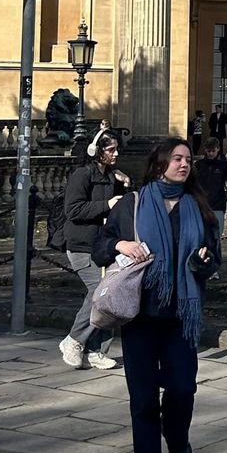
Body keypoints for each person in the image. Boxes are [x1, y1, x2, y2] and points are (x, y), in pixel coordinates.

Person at [92, 138, 221, 453]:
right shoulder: (133, 204)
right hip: (140, 316)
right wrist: (121, 246)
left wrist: (202, 260)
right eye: (177, 158)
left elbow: (214, 260)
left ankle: (177, 437)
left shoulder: (199, 206)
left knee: (183, 389)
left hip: (182, 314)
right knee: (143, 401)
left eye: (188, 159)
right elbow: (101, 245)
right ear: (160, 162)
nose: (184, 164)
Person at [59, 131, 130, 370]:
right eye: (111, 149)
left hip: (102, 245)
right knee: (100, 292)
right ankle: (74, 339)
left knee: (110, 294)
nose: (116, 154)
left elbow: (123, 208)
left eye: (116, 149)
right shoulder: (82, 175)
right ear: (96, 151)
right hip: (80, 245)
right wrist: (105, 205)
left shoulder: (113, 176)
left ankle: (97, 350)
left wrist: (127, 186)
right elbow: (73, 210)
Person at [193, 136, 227, 231]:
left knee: (217, 235)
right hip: (200, 205)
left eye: (213, 151)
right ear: (205, 150)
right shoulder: (198, 165)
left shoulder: (225, 165)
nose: (211, 153)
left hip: (218, 205)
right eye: (208, 151)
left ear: (218, 149)